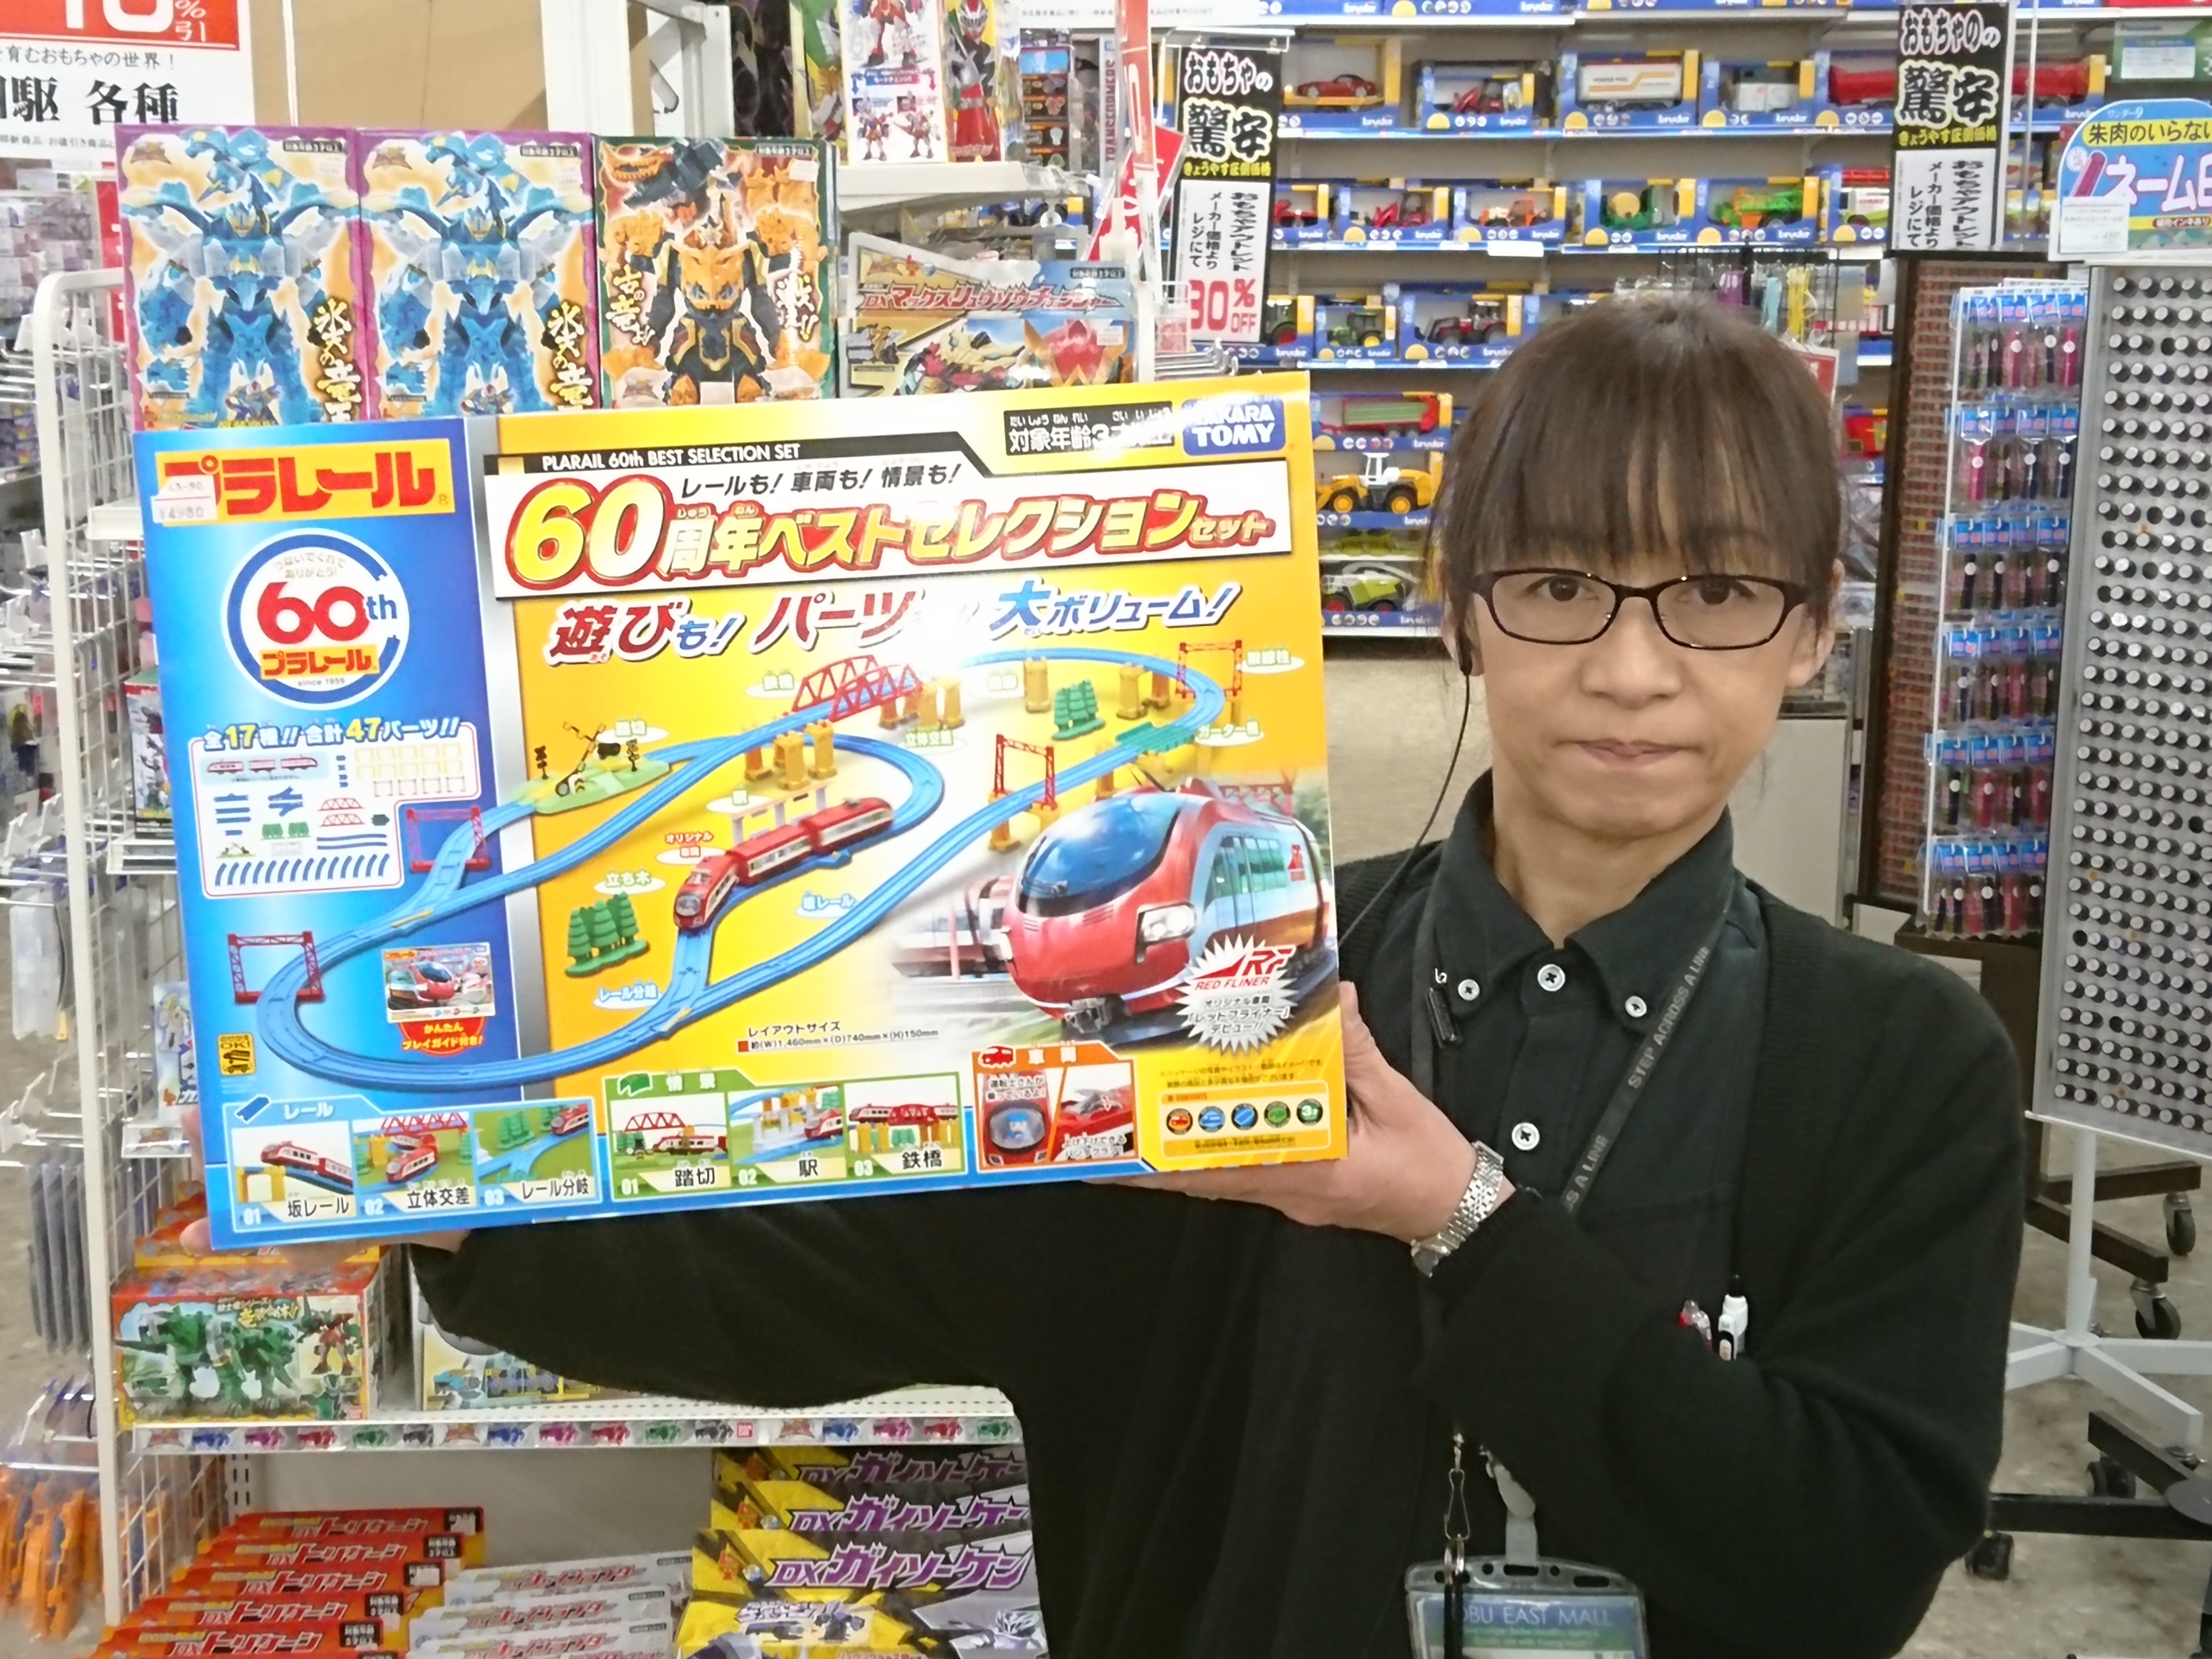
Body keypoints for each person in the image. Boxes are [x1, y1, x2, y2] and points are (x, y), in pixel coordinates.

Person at [222, 296, 2026, 1658]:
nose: (1633, 668)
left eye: (1715, 594)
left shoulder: (1901, 1060)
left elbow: (1843, 1563)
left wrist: (1453, 1215)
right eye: (1562, 586)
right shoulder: (1210, 973)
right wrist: (447, 1201)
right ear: (1461, 602)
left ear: (1809, 630)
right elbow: (833, 1276)